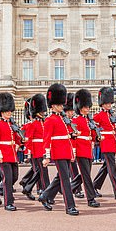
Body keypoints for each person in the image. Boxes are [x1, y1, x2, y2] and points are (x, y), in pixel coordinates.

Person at [38, 83, 79, 215]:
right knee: (65, 180)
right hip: (58, 152)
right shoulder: (50, 120)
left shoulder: (62, 118)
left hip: (65, 150)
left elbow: (65, 136)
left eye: (62, 104)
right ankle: (69, 206)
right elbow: (47, 139)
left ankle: (45, 196)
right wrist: (46, 155)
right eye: (60, 104)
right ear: (53, 105)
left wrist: (72, 136)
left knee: (61, 177)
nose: (62, 106)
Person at [92, 87, 116, 200]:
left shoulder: (111, 115)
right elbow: (94, 129)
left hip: (112, 142)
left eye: (109, 103)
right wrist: (98, 138)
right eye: (107, 103)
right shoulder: (98, 116)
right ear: (102, 104)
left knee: (106, 168)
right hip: (106, 143)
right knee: (112, 168)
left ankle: (94, 187)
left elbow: (114, 128)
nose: (109, 105)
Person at [0, 92, 21, 211]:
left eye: (10, 111)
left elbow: (17, 139)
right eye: (7, 111)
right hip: (3, 155)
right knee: (7, 179)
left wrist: (18, 143)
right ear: (1, 112)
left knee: (14, 177)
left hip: (12, 154)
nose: (9, 113)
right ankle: (8, 203)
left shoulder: (12, 125)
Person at [69, 88, 101, 208]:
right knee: (86, 175)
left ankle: (69, 188)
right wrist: (74, 151)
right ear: (80, 107)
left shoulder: (88, 120)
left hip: (88, 149)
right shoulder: (76, 120)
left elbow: (91, 135)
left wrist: (96, 138)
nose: (87, 109)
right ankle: (91, 198)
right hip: (81, 150)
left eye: (88, 107)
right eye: (85, 107)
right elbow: (74, 137)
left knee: (84, 174)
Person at [21, 94, 50, 198]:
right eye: (42, 111)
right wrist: (28, 153)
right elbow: (28, 140)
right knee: (40, 172)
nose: (43, 113)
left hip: (42, 150)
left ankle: (29, 186)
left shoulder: (44, 123)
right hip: (35, 151)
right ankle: (43, 190)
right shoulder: (33, 124)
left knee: (40, 171)